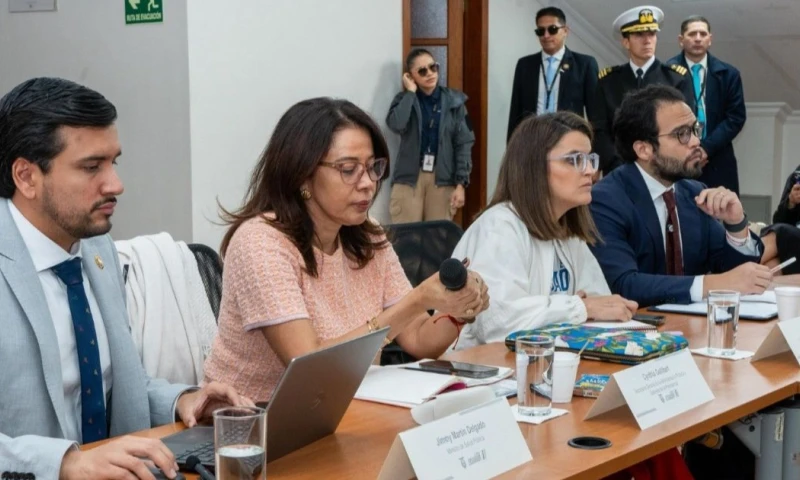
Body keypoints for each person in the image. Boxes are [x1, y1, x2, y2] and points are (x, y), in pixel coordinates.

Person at [0, 78, 250, 480]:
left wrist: (183, 400)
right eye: (91, 167)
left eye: (114, 162)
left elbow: (105, 386)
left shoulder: (96, 251)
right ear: (26, 177)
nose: (116, 184)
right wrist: (65, 463)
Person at [202, 97, 489, 402]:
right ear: (303, 176)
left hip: (344, 412)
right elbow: (309, 367)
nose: (367, 183)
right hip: (251, 426)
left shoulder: (367, 236)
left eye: (372, 168)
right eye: (348, 169)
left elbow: (418, 337)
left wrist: (458, 308)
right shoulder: (260, 243)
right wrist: (419, 299)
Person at [451, 112, 637, 349]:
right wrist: (578, 307)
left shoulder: (567, 231)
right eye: (574, 160)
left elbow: (602, 304)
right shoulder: (500, 226)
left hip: (543, 363)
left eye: (590, 159)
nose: (590, 170)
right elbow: (497, 323)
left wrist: (580, 309)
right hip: (483, 370)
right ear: (534, 166)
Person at [590, 84, 769, 308]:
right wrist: (709, 285)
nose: (695, 141)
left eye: (695, 129)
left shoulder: (693, 192)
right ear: (644, 149)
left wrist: (735, 224)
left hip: (693, 329)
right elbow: (624, 284)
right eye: (682, 134)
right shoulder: (605, 200)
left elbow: (737, 275)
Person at [590, 6, 696, 175]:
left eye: (652, 34)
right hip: (619, 170)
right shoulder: (608, 81)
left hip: (664, 169)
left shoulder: (676, 79)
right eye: (639, 35)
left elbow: (685, 128)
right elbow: (599, 130)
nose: (647, 40)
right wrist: (619, 164)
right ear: (626, 42)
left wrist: (657, 162)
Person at [386, 48, 475, 223]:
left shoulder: (454, 102)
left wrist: (460, 184)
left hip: (442, 179)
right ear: (411, 76)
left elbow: (464, 143)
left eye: (433, 67)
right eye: (422, 71)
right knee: (407, 241)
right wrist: (410, 92)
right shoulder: (404, 100)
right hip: (409, 178)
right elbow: (396, 124)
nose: (430, 73)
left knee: (436, 243)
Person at [667, 15, 746, 195]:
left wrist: (706, 149)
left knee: (720, 216)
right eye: (692, 34)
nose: (697, 38)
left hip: (718, 159)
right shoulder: (667, 73)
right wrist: (690, 148)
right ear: (681, 40)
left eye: (703, 34)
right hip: (679, 160)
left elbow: (736, 117)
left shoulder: (729, 74)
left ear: (710, 39)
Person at [506, 6, 599, 140]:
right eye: (540, 31)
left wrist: (594, 149)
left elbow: (595, 114)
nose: (546, 35)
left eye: (552, 29)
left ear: (565, 31)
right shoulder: (525, 65)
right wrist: (511, 147)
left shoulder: (584, 64)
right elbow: (515, 112)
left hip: (568, 139)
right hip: (531, 141)